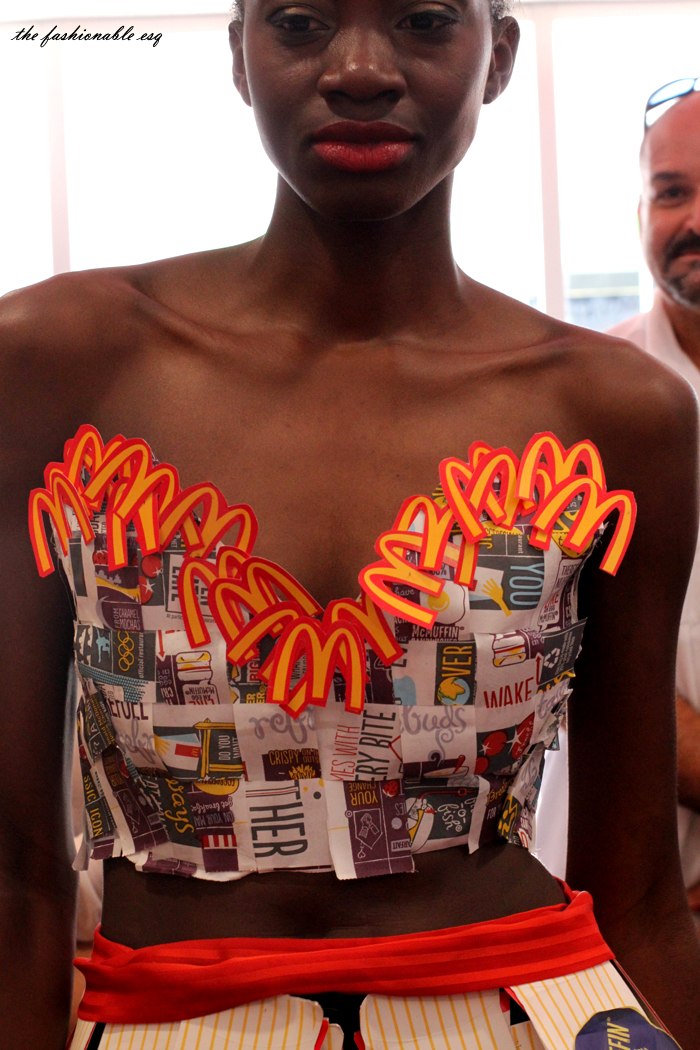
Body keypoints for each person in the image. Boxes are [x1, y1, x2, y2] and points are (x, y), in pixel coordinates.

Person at [1, 3, 699, 1049]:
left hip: (532, 1016)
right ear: (239, 52)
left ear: (497, 55)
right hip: (169, 1016)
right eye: (299, 21)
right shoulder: (54, 365)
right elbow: (14, 876)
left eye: (422, 19)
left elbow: (638, 891)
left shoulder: (617, 413)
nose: (362, 69)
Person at [608, 80, 700, 911]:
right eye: (672, 192)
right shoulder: (589, 402)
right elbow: (565, 654)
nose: (695, 219)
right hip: (637, 898)